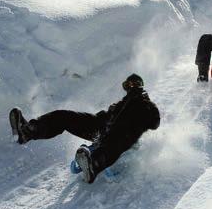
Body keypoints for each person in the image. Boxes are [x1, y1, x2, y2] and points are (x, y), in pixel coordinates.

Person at [9, 73, 160, 183]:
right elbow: (104, 117)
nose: (131, 87)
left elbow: (155, 123)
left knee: (116, 141)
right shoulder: (119, 105)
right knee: (64, 116)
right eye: (128, 85)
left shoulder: (146, 106)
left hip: (123, 135)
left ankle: (93, 164)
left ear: (140, 87)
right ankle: (27, 132)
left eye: (134, 85)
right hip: (100, 127)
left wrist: (144, 103)